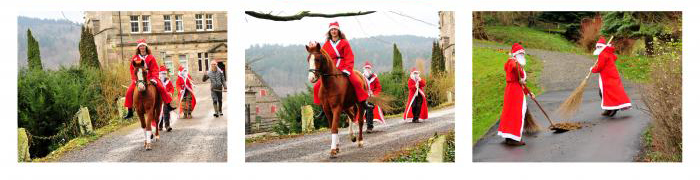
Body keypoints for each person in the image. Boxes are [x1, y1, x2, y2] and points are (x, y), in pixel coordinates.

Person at [313, 21, 373, 119]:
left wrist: (347, 69)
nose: (333, 31)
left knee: (357, 82)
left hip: (344, 66)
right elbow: (322, 58)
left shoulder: (345, 42)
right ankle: (322, 108)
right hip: (331, 69)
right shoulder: (326, 44)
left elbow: (349, 57)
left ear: (338, 30)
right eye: (332, 29)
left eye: (335, 29)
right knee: (317, 87)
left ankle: (363, 102)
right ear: (329, 31)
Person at [123, 39, 175, 119]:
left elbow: (155, 69)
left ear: (146, 47)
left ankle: (168, 105)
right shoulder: (135, 58)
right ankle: (130, 111)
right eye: (140, 46)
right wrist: (134, 79)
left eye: (143, 45)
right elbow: (132, 70)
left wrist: (154, 78)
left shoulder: (151, 57)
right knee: (129, 91)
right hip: (139, 78)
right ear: (138, 48)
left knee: (161, 87)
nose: (142, 47)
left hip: (150, 77)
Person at [497, 43, 530, 146]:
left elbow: (520, 81)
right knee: (516, 113)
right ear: (516, 54)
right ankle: (514, 138)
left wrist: (528, 92)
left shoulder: (516, 63)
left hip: (513, 90)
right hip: (515, 92)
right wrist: (515, 63)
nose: (523, 56)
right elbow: (512, 67)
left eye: (523, 54)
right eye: (521, 54)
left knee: (510, 113)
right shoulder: (513, 62)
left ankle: (509, 137)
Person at [591, 37, 631, 117]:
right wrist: (608, 50)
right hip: (612, 75)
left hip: (608, 77)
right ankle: (609, 108)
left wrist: (592, 69)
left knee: (604, 92)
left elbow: (600, 68)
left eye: (598, 47)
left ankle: (612, 108)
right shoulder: (607, 53)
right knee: (611, 92)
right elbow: (614, 58)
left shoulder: (602, 54)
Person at [362, 61, 385, 132]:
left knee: (369, 110)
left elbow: (378, 87)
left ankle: (370, 127)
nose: (367, 69)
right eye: (366, 68)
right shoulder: (362, 77)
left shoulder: (374, 77)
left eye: (368, 68)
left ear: (370, 69)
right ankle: (368, 124)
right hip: (364, 96)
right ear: (364, 69)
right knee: (364, 111)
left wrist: (374, 94)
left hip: (372, 97)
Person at [158, 65, 175, 132]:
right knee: (159, 112)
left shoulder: (168, 81)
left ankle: (167, 126)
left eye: (165, 73)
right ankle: (160, 125)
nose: (164, 75)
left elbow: (171, 88)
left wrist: (170, 93)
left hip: (166, 98)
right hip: (159, 99)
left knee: (166, 111)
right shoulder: (157, 81)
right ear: (159, 73)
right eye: (162, 73)